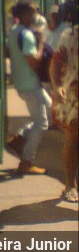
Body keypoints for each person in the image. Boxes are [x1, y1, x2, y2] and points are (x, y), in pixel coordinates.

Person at [5, 2, 52, 175]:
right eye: (33, 12)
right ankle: (26, 161)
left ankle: (19, 137)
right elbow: (34, 62)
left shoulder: (14, 32)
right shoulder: (26, 35)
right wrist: (40, 42)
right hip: (30, 84)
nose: (36, 16)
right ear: (24, 14)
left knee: (49, 105)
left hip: (23, 82)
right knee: (42, 123)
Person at [49, 17, 78, 203]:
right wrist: (58, 84)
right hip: (74, 97)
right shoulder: (71, 35)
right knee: (72, 140)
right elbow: (56, 62)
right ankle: (70, 185)